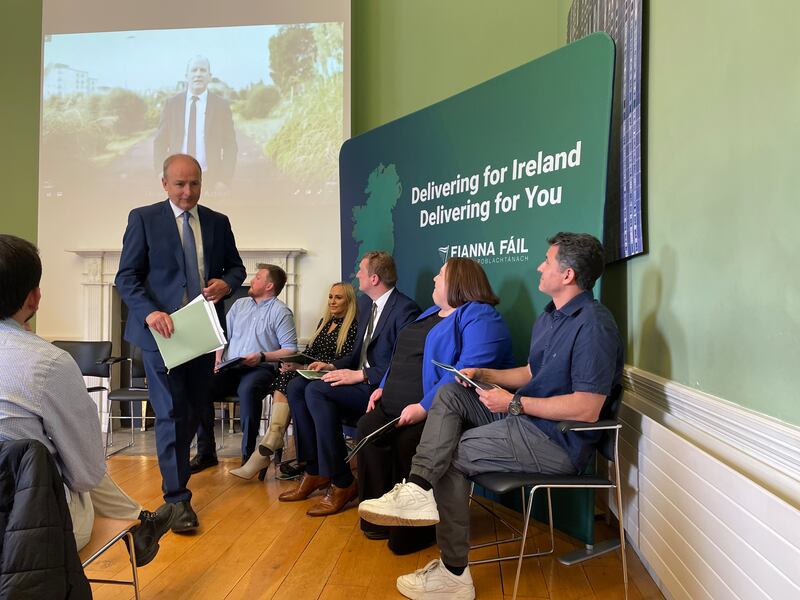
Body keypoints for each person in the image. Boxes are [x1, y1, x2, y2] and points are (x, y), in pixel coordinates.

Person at [359, 233, 624, 600]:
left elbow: (587, 407)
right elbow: (532, 374)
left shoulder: (594, 324)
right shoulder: (550, 317)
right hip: (525, 424)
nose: (540, 266)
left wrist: (515, 404)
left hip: (556, 441)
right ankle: (419, 489)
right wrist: (485, 375)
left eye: (547, 261)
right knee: (452, 391)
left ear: (567, 275)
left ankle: (453, 576)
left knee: (448, 455)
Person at [0, 234, 175, 567]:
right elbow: (86, 476)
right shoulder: (47, 363)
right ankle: (140, 522)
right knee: (69, 462)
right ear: (35, 298)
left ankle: (143, 522)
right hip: (30, 529)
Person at [115, 153, 245, 533]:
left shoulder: (218, 223)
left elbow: (236, 268)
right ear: (164, 184)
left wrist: (227, 283)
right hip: (161, 335)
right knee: (170, 412)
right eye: (180, 184)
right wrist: (149, 313)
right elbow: (127, 277)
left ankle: (176, 474)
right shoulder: (143, 218)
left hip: (201, 332)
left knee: (192, 410)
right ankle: (177, 500)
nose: (188, 192)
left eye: (195, 184)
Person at [357, 257, 514, 555]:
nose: (434, 279)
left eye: (440, 275)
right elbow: (401, 354)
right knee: (368, 429)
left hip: (441, 410)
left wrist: (423, 407)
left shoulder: (481, 317)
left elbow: (464, 373)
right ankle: (379, 520)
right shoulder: (430, 312)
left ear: (458, 281)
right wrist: (382, 386)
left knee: (408, 440)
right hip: (395, 401)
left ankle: (413, 532)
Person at [278, 251, 421, 516]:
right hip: (357, 381)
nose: (357, 275)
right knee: (298, 385)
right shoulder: (367, 306)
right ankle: (315, 470)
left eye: (361, 272)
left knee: (317, 391)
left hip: (378, 388)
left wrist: (361, 375)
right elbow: (357, 355)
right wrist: (332, 366)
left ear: (374, 278)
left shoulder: (405, 310)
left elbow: (402, 364)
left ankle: (343, 482)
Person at [231, 281, 359, 479]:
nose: (332, 302)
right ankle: (273, 442)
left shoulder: (353, 327)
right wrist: (296, 364)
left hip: (331, 375)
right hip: (309, 372)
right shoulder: (324, 323)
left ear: (349, 301)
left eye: (338, 297)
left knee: (290, 382)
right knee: (287, 376)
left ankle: (270, 444)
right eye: (331, 297)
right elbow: (309, 353)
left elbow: (347, 359)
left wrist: (312, 366)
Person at [191, 264, 298, 472]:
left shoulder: (281, 312)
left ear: (269, 285)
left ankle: (249, 457)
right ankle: (206, 453)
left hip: (261, 368)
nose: (252, 280)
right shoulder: (239, 305)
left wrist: (262, 356)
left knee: (248, 391)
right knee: (200, 387)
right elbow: (223, 338)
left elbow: (290, 349)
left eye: (257, 278)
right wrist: (217, 361)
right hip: (231, 367)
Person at [153, 55, 238, 188]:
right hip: (177, 178)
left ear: (209, 76)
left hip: (210, 179)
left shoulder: (221, 106)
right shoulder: (172, 104)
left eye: (203, 70)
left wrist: (224, 179)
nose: (198, 74)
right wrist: (160, 171)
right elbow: (160, 142)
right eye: (194, 70)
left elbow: (230, 146)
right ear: (187, 76)